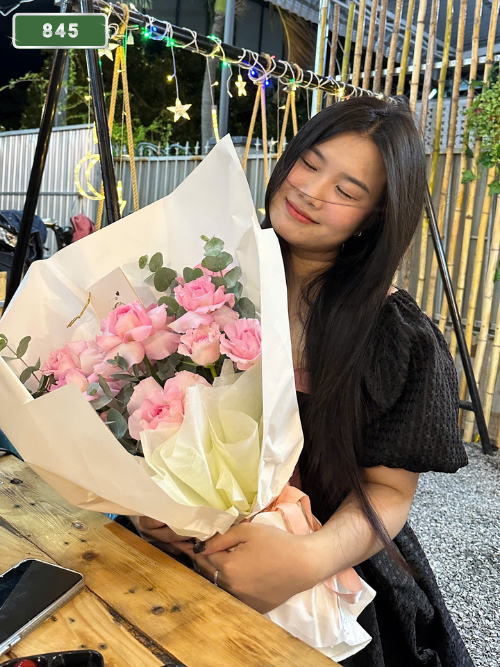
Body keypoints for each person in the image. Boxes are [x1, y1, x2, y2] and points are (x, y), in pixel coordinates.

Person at [134, 96, 473, 666]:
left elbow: (391, 491)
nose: (312, 191)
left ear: (375, 216)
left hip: (329, 577)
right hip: (184, 557)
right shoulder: (205, 286)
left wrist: (308, 559)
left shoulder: (393, 335)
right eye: (309, 164)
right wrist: (149, 503)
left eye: (347, 191)